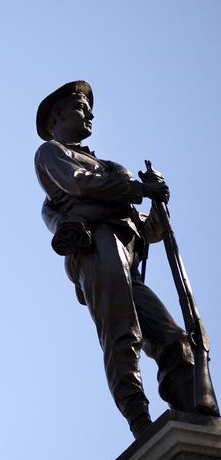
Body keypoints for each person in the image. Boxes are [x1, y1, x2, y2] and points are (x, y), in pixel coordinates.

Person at [34, 80, 204, 438]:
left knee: (174, 338)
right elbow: (79, 184)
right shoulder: (51, 152)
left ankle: (194, 413)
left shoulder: (108, 164)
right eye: (81, 106)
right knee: (121, 332)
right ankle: (140, 422)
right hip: (97, 248)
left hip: (127, 255)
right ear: (57, 116)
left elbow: (146, 231)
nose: (90, 113)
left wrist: (158, 205)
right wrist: (138, 190)